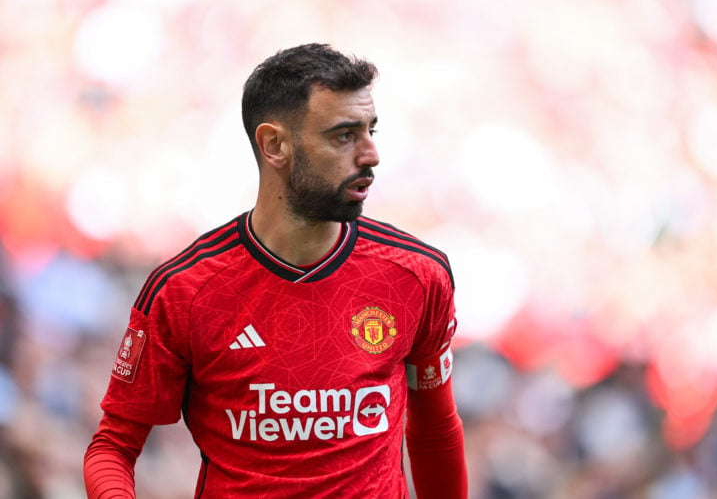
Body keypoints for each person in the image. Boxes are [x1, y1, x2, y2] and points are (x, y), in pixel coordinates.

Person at [83, 43, 467, 498]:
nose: (371, 154)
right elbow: (114, 445)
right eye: (344, 135)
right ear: (275, 145)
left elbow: (435, 431)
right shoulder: (186, 290)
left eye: (371, 130)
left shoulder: (416, 275)